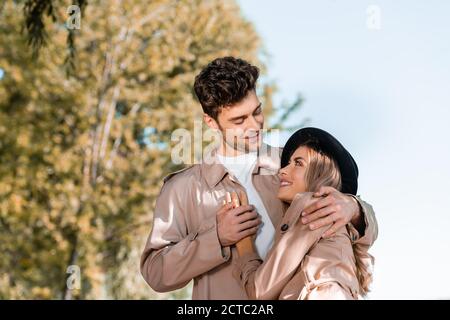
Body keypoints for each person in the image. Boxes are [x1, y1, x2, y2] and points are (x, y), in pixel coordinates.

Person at [140, 57, 377, 299]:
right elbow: (155, 273)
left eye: (257, 112)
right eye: (239, 120)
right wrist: (217, 238)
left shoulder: (293, 166)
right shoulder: (182, 188)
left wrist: (354, 208)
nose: (254, 126)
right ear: (211, 122)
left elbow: (352, 228)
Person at [232, 127, 376, 299]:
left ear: (320, 174)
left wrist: (244, 246)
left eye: (298, 163)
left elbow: (260, 290)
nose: (282, 171)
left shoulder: (313, 209)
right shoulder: (338, 221)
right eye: (288, 163)